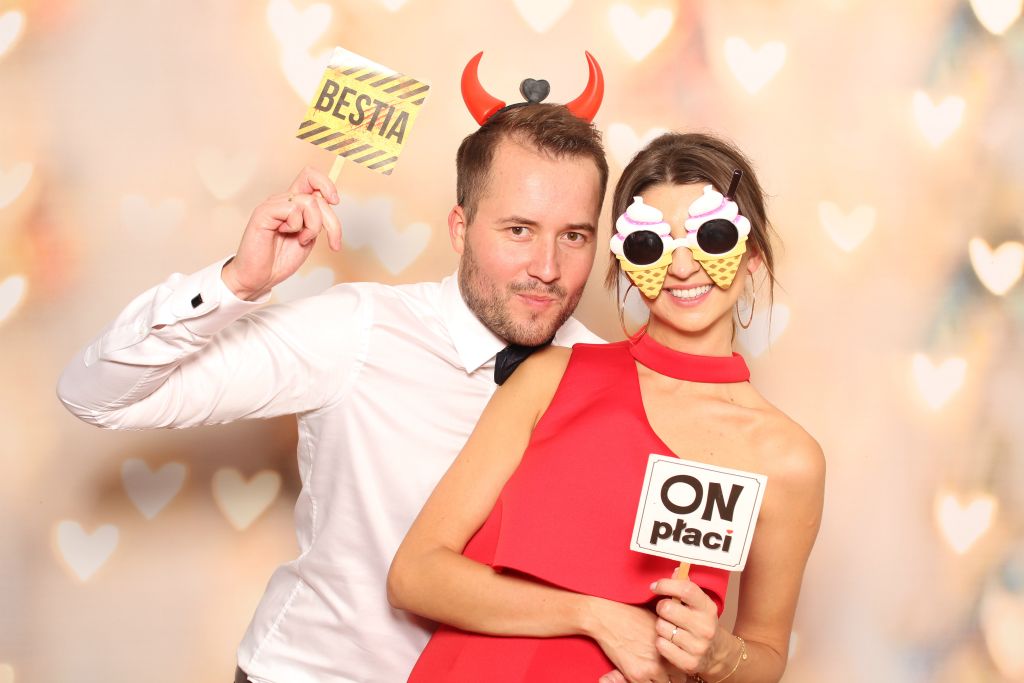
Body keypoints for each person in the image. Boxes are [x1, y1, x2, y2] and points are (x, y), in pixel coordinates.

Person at [56, 94, 611, 681]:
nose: (546, 268)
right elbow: (95, 395)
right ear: (460, 227)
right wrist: (236, 283)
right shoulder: (359, 330)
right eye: (519, 230)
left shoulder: (610, 377)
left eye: (574, 237)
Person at [387, 132, 826, 683]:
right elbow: (415, 575)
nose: (682, 268)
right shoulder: (550, 377)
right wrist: (596, 616)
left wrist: (715, 655)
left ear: (753, 254)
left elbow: (765, 654)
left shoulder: (787, 460)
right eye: (649, 246)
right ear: (623, 261)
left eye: (711, 238)